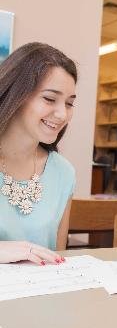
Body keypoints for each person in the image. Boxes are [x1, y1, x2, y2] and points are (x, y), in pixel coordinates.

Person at [0, 42, 77, 265]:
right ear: (16, 94)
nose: (62, 114)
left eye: (70, 103)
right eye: (49, 99)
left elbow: (58, 259)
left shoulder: (63, 173)